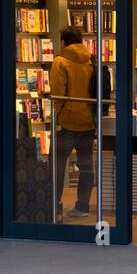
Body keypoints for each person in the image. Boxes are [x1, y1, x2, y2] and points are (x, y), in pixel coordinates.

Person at [49, 26, 98, 220]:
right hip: (88, 121)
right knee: (86, 166)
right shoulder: (92, 60)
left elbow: (57, 92)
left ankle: (54, 206)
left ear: (63, 42)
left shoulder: (60, 61)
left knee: (57, 167)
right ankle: (83, 206)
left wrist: (59, 114)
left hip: (67, 122)